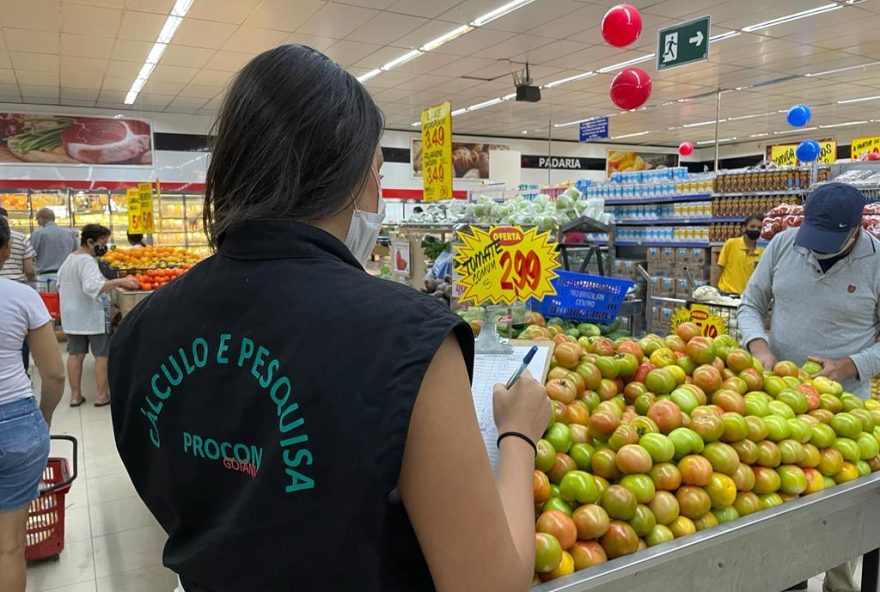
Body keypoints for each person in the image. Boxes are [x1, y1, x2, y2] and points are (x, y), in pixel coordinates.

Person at [109, 44, 550, 592]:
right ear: (357, 177)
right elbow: (490, 585)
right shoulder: (406, 337)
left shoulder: (140, 328)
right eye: (377, 172)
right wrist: (518, 435)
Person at [738, 182, 880, 592]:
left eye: (829, 241)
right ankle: (788, 580)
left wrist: (848, 365)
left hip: (844, 414)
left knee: (840, 524)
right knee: (782, 502)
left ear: (855, 231)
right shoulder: (785, 244)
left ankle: (840, 586)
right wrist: (758, 345)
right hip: (777, 402)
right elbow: (751, 303)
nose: (816, 249)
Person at [0, 215, 65, 592]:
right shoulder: (23, 297)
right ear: (7, 248)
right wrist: (43, 416)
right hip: (16, 424)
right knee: (9, 547)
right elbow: (53, 374)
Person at [57, 224, 138, 407]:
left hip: (72, 316)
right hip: (91, 316)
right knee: (102, 355)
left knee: (75, 355)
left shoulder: (70, 259)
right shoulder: (87, 261)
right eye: (103, 242)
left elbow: (60, 284)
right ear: (90, 241)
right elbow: (91, 287)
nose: (105, 247)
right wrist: (121, 280)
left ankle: (75, 396)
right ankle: (102, 396)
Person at [0, 208, 38, 373]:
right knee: (19, 339)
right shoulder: (20, 237)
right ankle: (22, 373)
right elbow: (29, 269)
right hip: (17, 292)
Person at [716, 214, 764, 294]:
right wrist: (714, 290)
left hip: (747, 296)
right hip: (726, 294)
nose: (756, 230)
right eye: (752, 226)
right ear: (744, 228)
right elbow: (719, 268)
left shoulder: (762, 251)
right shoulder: (731, 243)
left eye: (759, 228)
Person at [30, 208, 78, 283]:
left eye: (37, 219)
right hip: (67, 276)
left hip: (45, 277)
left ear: (42, 219)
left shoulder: (38, 234)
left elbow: (30, 255)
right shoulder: (69, 233)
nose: (38, 222)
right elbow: (76, 253)